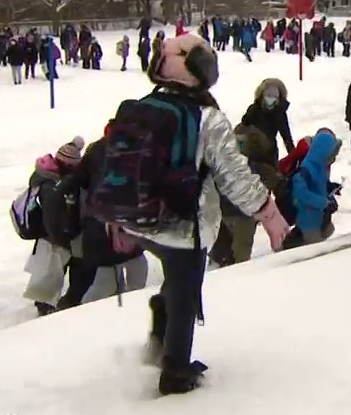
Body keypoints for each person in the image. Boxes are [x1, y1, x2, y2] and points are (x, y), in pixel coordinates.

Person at [97, 33, 290, 395]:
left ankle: (161, 319)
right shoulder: (207, 119)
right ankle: (175, 372)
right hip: (184, 226)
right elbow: (234, 178)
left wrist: (115, 216)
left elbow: (117, 163)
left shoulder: (141, 107)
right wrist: (269, 212)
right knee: (186, 294)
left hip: (139, 221)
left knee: (175, 284)